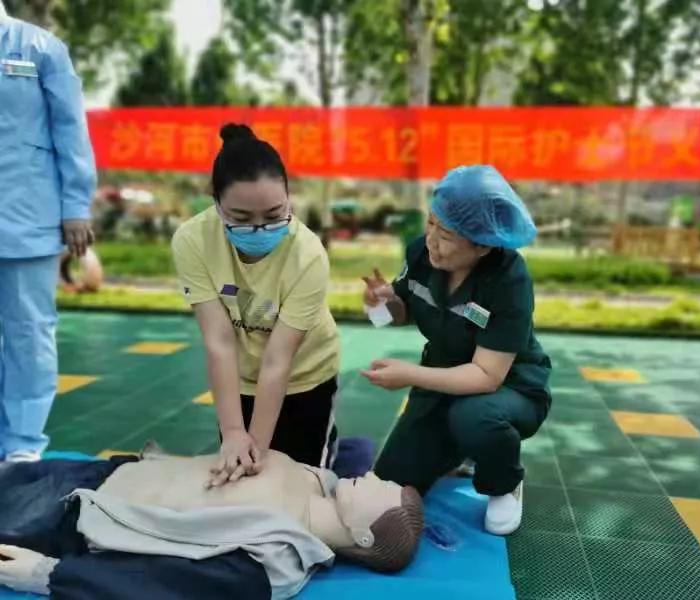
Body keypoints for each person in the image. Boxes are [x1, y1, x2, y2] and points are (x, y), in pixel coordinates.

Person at [362, 165, 552, 536]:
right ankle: (455, 450)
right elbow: (403, 310)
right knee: (388, 488)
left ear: (483, 244)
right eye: (431, 223)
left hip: (508, 389)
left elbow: (486, 376)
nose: (432, 240)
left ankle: (503, 482)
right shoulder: (421, 253)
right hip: (442, 380)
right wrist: (378, 304)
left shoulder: (508, 278)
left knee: (475, 417)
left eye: (446, 234)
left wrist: (408, 375)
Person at [0, 446, 424, 598]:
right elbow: (355, 450)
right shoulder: (320, 479)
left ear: (364, 534)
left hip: (69, 514)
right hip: (104, 471)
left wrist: (47, 575)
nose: (373, 476)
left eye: (381, 487)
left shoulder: (273, 560)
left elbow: (159, 586)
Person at [171, 124, 340, 487]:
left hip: (305, 374)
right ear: (216, 204)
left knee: (304, 482)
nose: (260, 230)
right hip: (241, 378)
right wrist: (234, 432)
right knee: (235, 472)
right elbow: (219, 341)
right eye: (242, 219)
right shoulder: (192, 241)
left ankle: (340, 447)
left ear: (289, 199)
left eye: (275, 214)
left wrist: (257, 451)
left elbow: (279, 359)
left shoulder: (308, 256)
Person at [0, 1, 96, 462]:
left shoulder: (40, 48)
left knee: (28, 332)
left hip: (28, 213)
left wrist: (76, 205)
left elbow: (70, 129)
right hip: (24, 213)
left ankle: (22, 444)